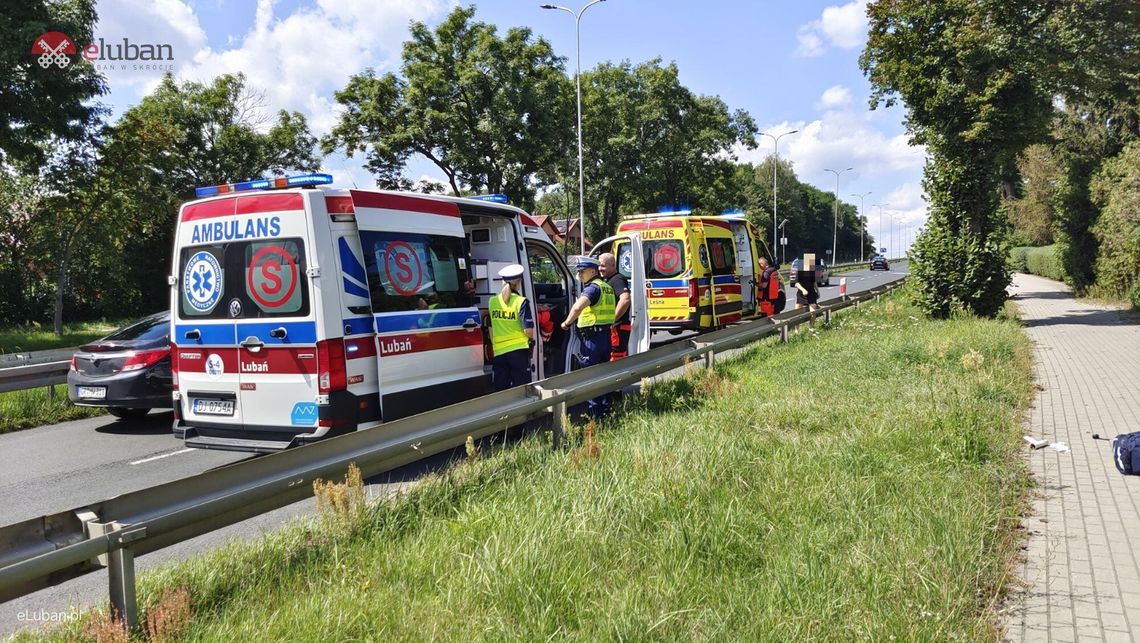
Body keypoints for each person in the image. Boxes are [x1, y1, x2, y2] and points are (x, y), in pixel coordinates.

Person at [561, 255, 616, 417]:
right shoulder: (607, 287)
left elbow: (578, 307)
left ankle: (595, 416)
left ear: (593, 271)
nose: (580, 275)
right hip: (604, 337)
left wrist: (567, 323)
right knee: (603, 375)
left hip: (592, 339)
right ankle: (605, 411)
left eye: (582, 271)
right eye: (578, 272)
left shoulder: (592, 288)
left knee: (591, 377)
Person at [487, 264, 535, 391]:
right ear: (519, 283)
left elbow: (491, 328)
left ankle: (504, 411)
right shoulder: (521, 301)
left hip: (499, 353)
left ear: (503, 282)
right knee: (522, 389)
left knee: (501, 390)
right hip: (518, 353)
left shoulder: (492, 301)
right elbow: (528, 331)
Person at [598, 252, 631, 360]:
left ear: (612, 265)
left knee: (616, 360)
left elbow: (625, 299)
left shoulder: (617, 279)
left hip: (617, 328)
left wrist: (613, 319)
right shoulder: (609, 280)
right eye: (599, 265)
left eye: (603, 265)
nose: (600, 269)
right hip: (615, 328)